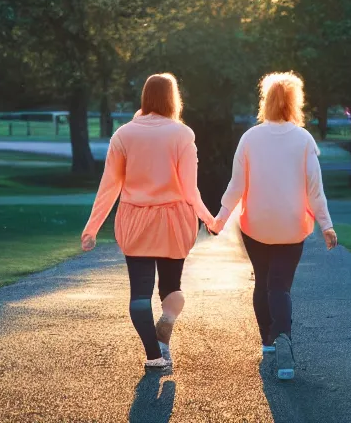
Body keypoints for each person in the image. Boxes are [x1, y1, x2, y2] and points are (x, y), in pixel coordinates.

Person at [81, 73, 215, 371]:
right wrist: (209, 219)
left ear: (145, 97)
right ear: (172, 98)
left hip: (135, 220)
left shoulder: (123, 135)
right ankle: (166, 325)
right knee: (171, 287)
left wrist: (92, 228)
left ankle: (154, 355)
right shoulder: (182, 134)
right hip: (174, 221)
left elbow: (109, 186)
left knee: (140, 294)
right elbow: (190, 189)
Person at [210, 72, 337, 381]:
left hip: (255, 225)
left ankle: (268, 340)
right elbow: (314, 189)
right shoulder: (304, 139)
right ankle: (283, 339)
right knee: (279, 285)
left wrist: (220, 219)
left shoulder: (250, 138)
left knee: (263, 281)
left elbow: (236, 185)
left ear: (265, 102)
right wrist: (326, 226)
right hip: (292, 226)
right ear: (295, 103)